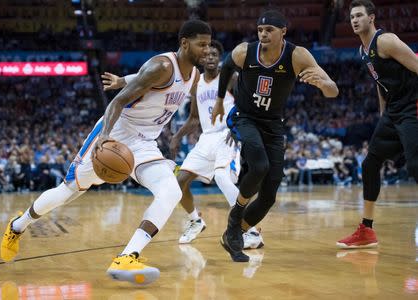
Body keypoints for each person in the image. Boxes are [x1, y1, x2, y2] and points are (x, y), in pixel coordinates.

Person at [0, 20, 212, 285]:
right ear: (184, 43)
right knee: (68, 191)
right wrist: (104, 136)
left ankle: (127, 256)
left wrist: (123, 78)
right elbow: (118, 101)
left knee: (171, 191)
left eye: (209, 45)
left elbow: (143, 80)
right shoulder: (162, 66)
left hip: (145, 144)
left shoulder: (192, 75)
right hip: (115, 136)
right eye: (201, 44)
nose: (206, 50)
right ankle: (18, 225)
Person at [212, 10, 339, 261]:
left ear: (283, 32)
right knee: (259, 166)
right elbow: (226, 67)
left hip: (274, 124)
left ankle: (233, 234)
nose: (263, 34)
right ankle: (236, 216)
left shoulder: (298, 55)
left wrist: (324, 85)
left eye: (269, 30)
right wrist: (218, 101)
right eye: (260, 30)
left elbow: (333, 90)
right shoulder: (243, 52)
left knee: (269, 196)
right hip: (245, 117)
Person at [337, 0, 418, 249]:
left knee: (415, 166)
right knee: (370, 164)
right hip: (393, 112)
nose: (354, 20)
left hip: (413, 107)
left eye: (359, 15)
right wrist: (384, 114)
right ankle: (367, 230)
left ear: (371, 18)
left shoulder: (387, 41)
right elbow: (379, 82)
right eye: (352, 16)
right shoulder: (363, 51)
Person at [168, 40, 264, 249]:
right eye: (206, 54)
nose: (210, 57)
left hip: (228, 136)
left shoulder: (232, 78)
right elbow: (194, 118)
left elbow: (248, 106)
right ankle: (195, 220)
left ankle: (252, 231)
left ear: (220, 58)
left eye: (214, 54)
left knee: (221, 177)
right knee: (179, 182)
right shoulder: (197, 84)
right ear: (201, 58)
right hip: (206, 139)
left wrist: (237, 128)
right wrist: (177, 136)